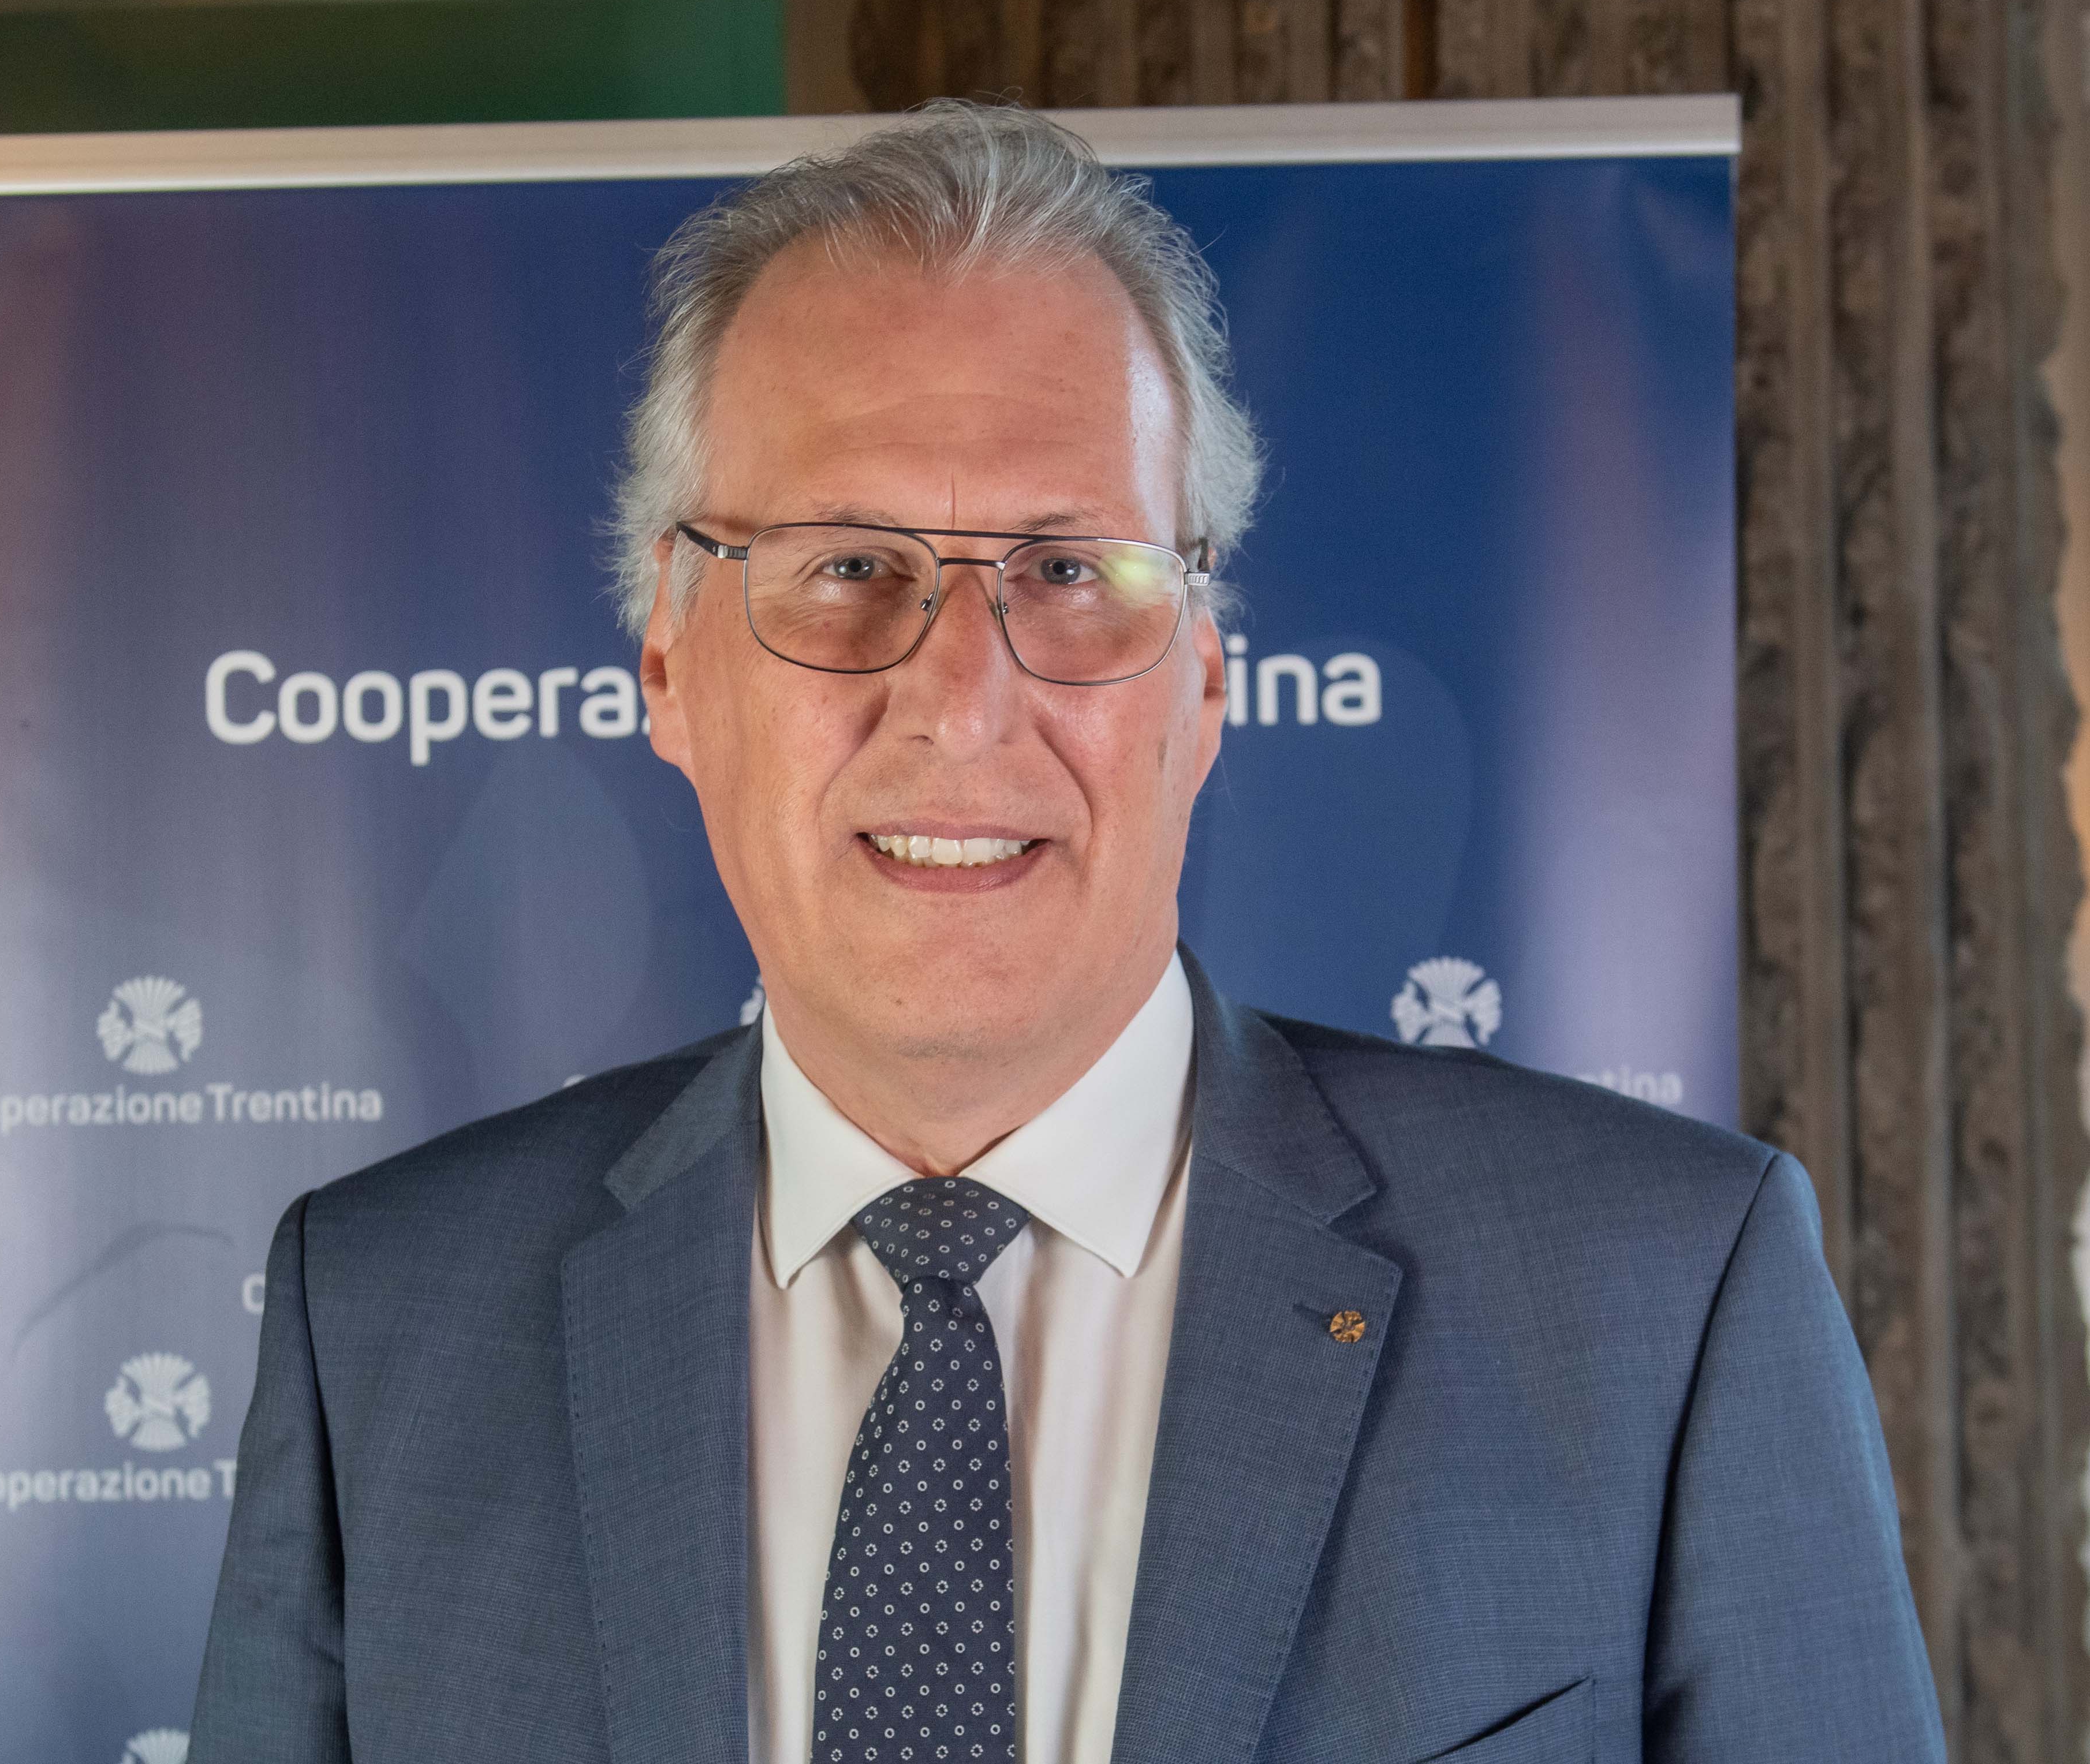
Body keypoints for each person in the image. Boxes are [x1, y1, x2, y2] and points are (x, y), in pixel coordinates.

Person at [189, 102, 1944, 1764]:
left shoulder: (1660, 1299)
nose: (961, 700)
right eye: (845, 566)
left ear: (1204, 680)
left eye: (1069, 571)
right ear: (668, 662)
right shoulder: (386, 1323)